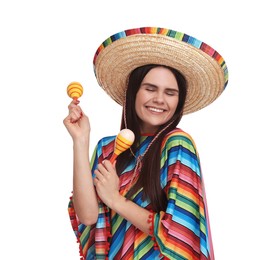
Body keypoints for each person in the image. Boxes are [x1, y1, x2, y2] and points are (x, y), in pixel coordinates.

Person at [64, 27, 228, 260]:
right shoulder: (108, 148)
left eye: (170, 92)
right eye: (150, 88)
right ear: (134, 92)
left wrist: (115, 200)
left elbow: (179, 232)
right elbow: (89, 217)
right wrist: (80, 141)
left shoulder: (177, 145)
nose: (159, 99)